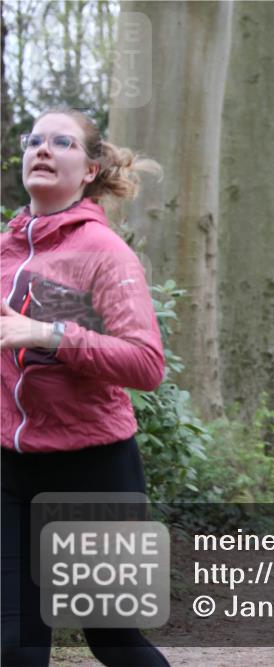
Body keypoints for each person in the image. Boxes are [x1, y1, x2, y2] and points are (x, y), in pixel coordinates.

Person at [1, 109, 168, 666]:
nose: (43, 149)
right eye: (35, 140)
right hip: (11, 470)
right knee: (14, 646)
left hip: (93, 469)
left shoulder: (103, 252)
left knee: (113, 639)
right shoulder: (5, 253)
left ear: (90, 168)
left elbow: (146, 364)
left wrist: (51, 333)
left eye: (62, 142)